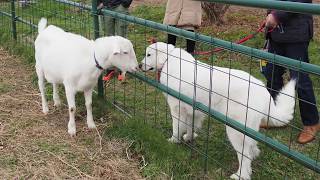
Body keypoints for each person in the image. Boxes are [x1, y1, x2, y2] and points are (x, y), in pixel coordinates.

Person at [264, 0, 319, 144]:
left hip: (296, 35)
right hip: (276, 34)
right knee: (272, 74)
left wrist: (276, 15)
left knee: (299, 79)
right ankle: (277, 116)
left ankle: (311, 122)